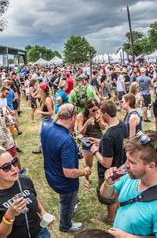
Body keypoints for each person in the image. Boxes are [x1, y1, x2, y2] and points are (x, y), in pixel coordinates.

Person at [100, 130, 157, 237]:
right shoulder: (131, 173)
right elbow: (107, 195)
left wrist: (126, 237)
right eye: (127, 159)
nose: (126, 165)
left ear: (150, 166)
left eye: (132, 162)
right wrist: (108, 183)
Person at [41, 103, 91, 233]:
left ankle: (71, 206)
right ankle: (65, 225)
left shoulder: (46, 128)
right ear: (73, 117)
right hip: (65, 182)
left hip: (51, 174)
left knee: (67, 201)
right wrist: (84, 171)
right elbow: (69, 172)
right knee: (66, 202)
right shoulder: (66, 140)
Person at [0, 149, 52, 238]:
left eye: (14, 162)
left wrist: (43, 211)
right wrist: (9, 215)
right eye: (6, 167)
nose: (14, 168)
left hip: (40, 232)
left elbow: (34, 196)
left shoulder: (24, 180)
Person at [89, 100, 127, 225]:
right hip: (122, 167)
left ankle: (111, 218)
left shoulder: (108, 136)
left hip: (110, 172)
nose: (99, 115)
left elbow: (106, 163)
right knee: (117, 192)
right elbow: (123, 144)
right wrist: (100, 141)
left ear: (105, 114)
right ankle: (117, 210)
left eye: (100, 112)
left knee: (109, 197)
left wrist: (95, 151)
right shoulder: (122, 125)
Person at [76, 98, 107, 188]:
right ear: (87, 109)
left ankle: (103, 180)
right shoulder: (81, 116)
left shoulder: (98, 114)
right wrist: (86, 124)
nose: (95, 111)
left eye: (97, 109)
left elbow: (104, 127)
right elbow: (80, 134)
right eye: (93, 110)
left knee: (103, 161)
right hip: (86, 140)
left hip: (98, 139)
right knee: (89, 164)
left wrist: (99, 121)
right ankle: (87, 179)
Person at [32, 83, 53, 154]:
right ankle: (41, 148)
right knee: (42, 134)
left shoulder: (47, 99)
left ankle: (44, 149)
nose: (39, 90)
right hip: (44, 120)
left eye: (40, 89)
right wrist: (37, 90)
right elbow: (33, 96)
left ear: (43, 90)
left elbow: (51, 112)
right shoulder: (42, 96)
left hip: (47, 120)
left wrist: (40, 112)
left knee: (44, 134)